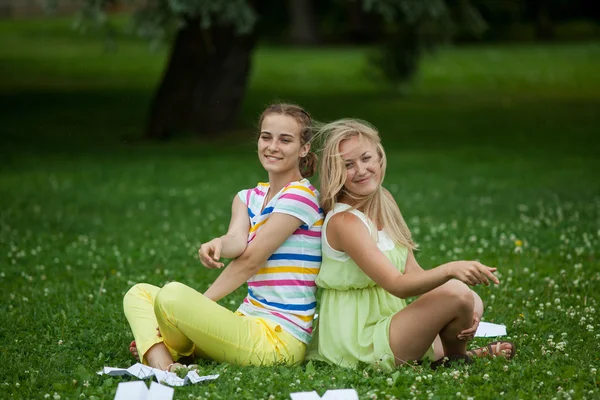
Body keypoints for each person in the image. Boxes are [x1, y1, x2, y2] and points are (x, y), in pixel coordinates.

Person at [124, 103, 324, 371]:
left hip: (279, 340)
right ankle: (166, 365)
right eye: (266, 137)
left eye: (285, 140)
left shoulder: (301, 196)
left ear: (304, 149)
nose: (273, 146)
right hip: (245, 322)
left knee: (172, 296)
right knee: (139, 293)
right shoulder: (247, 197)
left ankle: (164, 347)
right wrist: (219, 243)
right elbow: (238, 242)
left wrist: (192, 311)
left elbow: (251, 260)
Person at [306, 119, 515, 371]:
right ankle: (456, 359)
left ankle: (454, 353)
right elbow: (398, 286)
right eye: (348, 165)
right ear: (335, 172)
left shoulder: (385, 200)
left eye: (366, 158)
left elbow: (413, 273)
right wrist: (450, 271)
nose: (361, 170)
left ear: (379, 157)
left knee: (469, 298)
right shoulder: (344, 221)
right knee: (456, 292)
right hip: (359, 339)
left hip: (391, 321)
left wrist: (467, 306)